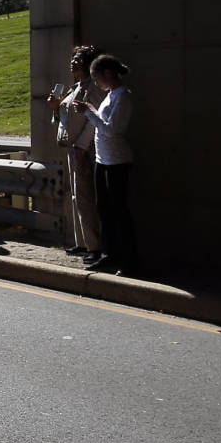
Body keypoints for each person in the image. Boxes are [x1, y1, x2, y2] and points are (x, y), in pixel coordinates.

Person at [79, 54, 138, 276]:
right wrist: (91, 110)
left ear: (108, 74)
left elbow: (113, 130)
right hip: (102, 160)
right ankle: (110, 255)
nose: (96, 83)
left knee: (119, 212)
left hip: (117, 162)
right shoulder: (111, 95)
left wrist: (89, 111)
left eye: (97, 78)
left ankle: (129, 261)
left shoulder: (123, 97)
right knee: (104, 210)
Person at [48, 46, 105, 263]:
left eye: (79, 59)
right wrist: (55, 107)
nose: (73, 62)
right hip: (73, 149)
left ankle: (95, 246)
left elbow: (94, 121)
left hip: (86, 150)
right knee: (77, 198)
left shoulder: (94, 87)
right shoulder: (75, 87)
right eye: (72, 59)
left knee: (86, 198)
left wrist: (81, 146)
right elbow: (64, 118)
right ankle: (82, 243)